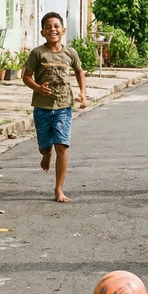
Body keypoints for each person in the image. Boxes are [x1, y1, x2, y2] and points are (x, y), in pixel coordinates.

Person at [23, 12, 88, 203]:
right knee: (45, 146)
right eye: (48, 27)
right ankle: (46, 154)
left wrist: (83, 93)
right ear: (43, 32)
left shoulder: (70, 53)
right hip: (42, 107)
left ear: (63, 30)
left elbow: (79, 72)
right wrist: (38, 88)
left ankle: (58, 189)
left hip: (64, 106)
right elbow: (26, 76)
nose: (53, 30)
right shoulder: (37, 53)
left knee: (62, 145)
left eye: (56, 26)